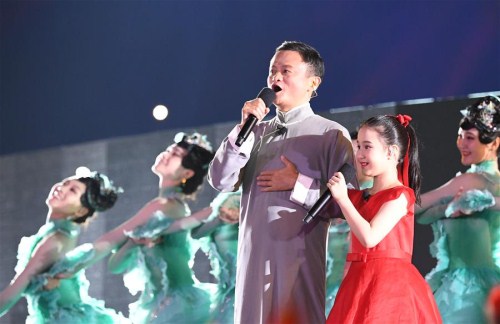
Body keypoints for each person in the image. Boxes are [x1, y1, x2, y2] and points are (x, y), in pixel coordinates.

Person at [208, 40, 355, 323]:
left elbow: (345, 206)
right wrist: (243, 127)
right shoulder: (254, 130)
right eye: (272, 71)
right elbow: (220, 180)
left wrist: (299, 182)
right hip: (252, 262)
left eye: (286, 71)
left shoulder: (330, 134)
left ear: (313, 83)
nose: (275, 77)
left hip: (298, 262)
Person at [53, 132, 216, 324]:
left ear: (187, 174)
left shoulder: (165, 205)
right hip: (161, 307)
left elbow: (112, 238)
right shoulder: (163, 206)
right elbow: (115, 265)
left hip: (180, 308)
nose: (166, 154)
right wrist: (132, 244)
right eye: (169, 150)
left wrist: (72, 266)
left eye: (176, 154)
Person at [325, 114, 441, 323]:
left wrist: (343, 199)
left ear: (391, 151)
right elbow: (314, 196)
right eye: (358, 146)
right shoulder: (359, 197)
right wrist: (294, 178)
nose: (359, 154)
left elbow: (370, 237)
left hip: (390, 288)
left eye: (367, 147)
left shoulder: (401, 195)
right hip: (358, 282)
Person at [0, 168, 126, 323]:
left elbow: (14, 291)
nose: (62, 188)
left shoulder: (55, 241)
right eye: (65, 183)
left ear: (81, 211)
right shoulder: (57, 234)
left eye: (72, 190)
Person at [415, 95, 500, 323]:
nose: (462, 143)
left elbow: (415, 206)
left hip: (464, 289)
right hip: (492, 283)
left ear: (494, 143)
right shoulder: (490, 182)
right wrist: (451, 208)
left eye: (470, 138)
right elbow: (423, 216)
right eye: (460, 136)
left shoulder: (472, 180)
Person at [325, 130, 374, 313]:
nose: (355, 160)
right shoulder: (338, 192)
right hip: (327, 285)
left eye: (362, 150)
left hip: (355, 283)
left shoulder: (371, 195)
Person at [191, 191, 240, 324]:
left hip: (249, 285)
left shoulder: (249, 201)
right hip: (227, 289)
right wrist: (219, 219)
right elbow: (195, 234)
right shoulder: (223, 204)